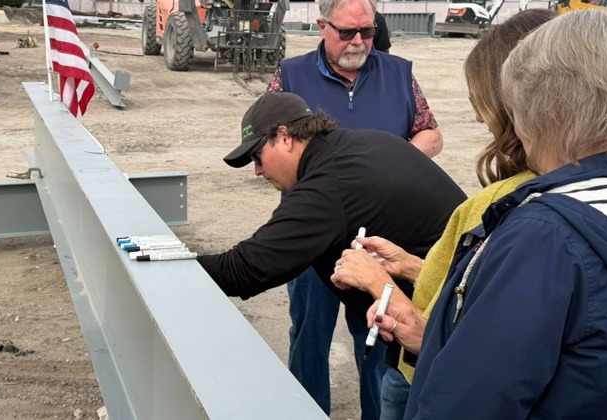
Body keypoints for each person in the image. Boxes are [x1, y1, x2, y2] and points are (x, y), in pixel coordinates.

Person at [348, 9, 607, 418]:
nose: (479, 117)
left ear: (539, 109)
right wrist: (415, 267)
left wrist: (382, 285)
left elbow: (469, 398)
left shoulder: (541, 236)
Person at [196, 92, 465, 418]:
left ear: (284, 137)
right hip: (462, 304)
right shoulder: (357, 144)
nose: (257, 171)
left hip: (435, 337)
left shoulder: (327, 183)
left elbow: (244, 268)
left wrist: (174, 266)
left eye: (257, 157)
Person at [265, 0, 442, 415]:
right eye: (347, 32)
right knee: (310, 330)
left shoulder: (398, 73)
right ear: (322, 26)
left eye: (367, 30)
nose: (360, 41)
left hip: (383, 240)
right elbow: (270, 143)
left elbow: (430, 133)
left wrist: (398, 159)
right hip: (313, 236)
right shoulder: (290, 77)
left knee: (382, 335)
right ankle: (308, 409)